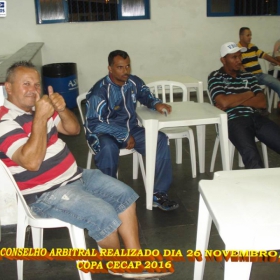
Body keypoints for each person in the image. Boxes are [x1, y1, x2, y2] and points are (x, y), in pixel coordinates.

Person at [0, 61, 172, 279]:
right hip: (44, 193)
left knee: (126, 195)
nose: (33, 90)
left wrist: (61, 110)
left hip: (76, 175)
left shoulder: (38, 108)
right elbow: (31, 162)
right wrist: (41, 119)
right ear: (9, 87)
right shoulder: (4, 121)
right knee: (105, 216)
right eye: (26, 84)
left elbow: (72, 129)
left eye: (36, 84)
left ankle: (136, 259)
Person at [85, 50, 178, 211]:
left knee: (160, 139)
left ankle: (159, 193)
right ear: (110, 68)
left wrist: (156, 104)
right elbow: (93, 123)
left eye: (128, 66)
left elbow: (145, 95)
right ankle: (108, 195)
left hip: (132, 129)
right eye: (120, 67)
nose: (126, 71)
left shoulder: (132, 82)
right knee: (108, 148)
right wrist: (123, 135)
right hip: (104, 134)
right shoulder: (99, 91)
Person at [208, 42, 280, 169]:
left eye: (239, 56)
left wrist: (232, 101)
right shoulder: (215, 77)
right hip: (233, 121)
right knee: (252, 158)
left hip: (256, 117)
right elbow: (223, 102)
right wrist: (249, 93)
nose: (239, 60)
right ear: (223, 60)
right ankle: (259, 187)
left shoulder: (248, 76)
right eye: (234, 57)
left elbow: (262, 102)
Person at [237, 27, 280, 103]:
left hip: (260, 75)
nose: (250, 37)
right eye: (248, 35)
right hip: (249, 77)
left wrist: (277, 63)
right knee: (256, 93)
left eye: (250, 35)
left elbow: (265, 56)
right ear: (241, 36)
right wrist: (247, 76)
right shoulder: (237, 50)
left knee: (278, 84)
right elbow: (239, 66)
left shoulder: (253, 47)